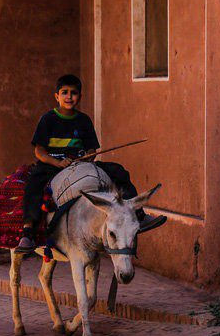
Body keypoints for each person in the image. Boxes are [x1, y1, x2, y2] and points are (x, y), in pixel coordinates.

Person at [17, 74, 166, 251]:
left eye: (74, 93)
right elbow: (39, 151)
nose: (69, 96)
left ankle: (138, 214)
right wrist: (56, 163)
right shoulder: (47, 119)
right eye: (64, 92)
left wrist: (88, 157)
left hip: (80, 165)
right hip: (52, 166)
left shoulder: (84, 121)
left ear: (79, 96)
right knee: (34, 183)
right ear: (56, 96)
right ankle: (28, 232)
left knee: (119, 171)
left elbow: (91, 149)